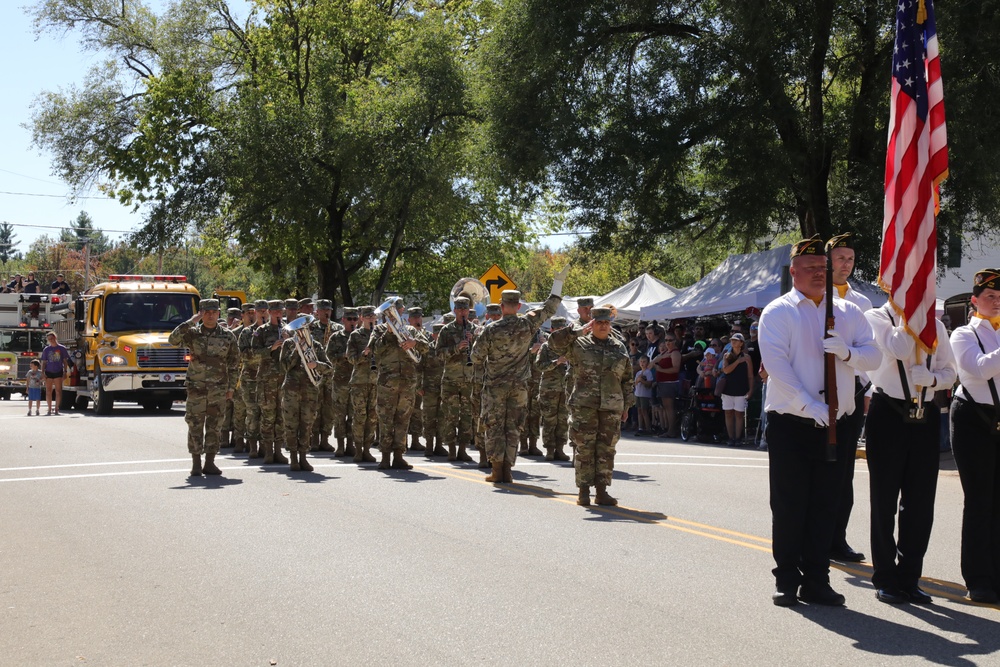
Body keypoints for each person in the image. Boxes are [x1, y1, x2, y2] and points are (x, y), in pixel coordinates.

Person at [759, 236, 880, 607]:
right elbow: (777, 367)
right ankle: (787, 579)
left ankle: (817, 579)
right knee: (790, 503)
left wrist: (847, 352)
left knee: (826, 504)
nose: (817, 273)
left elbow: (873, 356)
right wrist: (810, 405)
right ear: (793, 271)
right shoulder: (778, 312)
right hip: (792, 424)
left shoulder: (847, 312)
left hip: (839, 424)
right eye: (809, 267)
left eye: (822, 268)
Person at [865, 301, 956, 604]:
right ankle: (885, 577)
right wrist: (914, 317)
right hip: (888, 412)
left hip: (925, 413)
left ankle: (910, 577)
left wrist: (932, 380)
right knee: (884, 499)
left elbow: (949, 372)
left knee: (920, 502)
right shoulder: (877, 317)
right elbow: (900, 347)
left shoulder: (937, 325)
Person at [470, 279, 563, 483]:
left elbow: (475, 357)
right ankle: (508, 470)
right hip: (519, 386)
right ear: (519, 306)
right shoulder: (528, 324)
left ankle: (496, 470)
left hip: (495, 386)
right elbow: (549, 308)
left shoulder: (491, 329)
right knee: (513, 427)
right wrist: (558, 283)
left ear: (502, 306)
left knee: (494, 426)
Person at [547, 307, 634, 506]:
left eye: (606, 323)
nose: (603, 326)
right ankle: (583, 491)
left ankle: (602, 491)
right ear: (592, 323)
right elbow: (553, 343)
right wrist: (576, 331)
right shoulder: (578, 344)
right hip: (584, 406)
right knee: (585, 448)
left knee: (606, 450)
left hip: (611, 407)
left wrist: (626, 406)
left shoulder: (619, 347)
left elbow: (627, 379)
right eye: (599, 322)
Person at [949, 268, 1000, 603]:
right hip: (974, 420)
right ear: (975, 300)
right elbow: (979, 369)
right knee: (980, 499)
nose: (996, 302)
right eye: (990, 297)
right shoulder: (964, 334)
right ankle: (978, 578)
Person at [826, 233, 874, 564]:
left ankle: (836, 539)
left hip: (852, 391)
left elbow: (870, 352)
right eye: (841, 258)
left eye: (851, 260)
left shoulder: (863, 303)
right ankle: (813, 536)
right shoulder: (813, 297)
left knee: (844, 470)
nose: (846, 265)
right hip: (820, 390)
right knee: (819, 467)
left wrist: (867, 387)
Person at [168, 299, 239, 477]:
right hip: (196, 388)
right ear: (201, 313)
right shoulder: (193, 333)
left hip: (218, 389)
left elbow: (234, 364)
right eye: (206, 312)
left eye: (213, 312)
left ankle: (210, 462)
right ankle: (196, 463)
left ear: (218, 313)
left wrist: (231, 388)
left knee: (215, 426)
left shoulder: (228, 336)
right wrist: (191, 321)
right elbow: (172, 340)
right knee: (195, 425)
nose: (210, 315)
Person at [368, 301, 429, 470]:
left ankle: (399, 455)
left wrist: (414, 343)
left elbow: (427, 347)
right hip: (387, 384)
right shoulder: (379, 330)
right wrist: (388, 334)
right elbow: (374, 350)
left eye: (396, 310)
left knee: (403, 419)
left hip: (408, 383)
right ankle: (385, 456)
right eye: (390, 311)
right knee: (386, 419)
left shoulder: (410, 330)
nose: (393, 314)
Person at [280, 318, 332, 471]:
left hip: (310, 391)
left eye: (305, 329)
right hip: (291, 390)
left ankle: (303, 457)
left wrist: (317, 365)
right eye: (300, 329)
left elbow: (329, 367)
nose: (303, 332)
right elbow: (284, 366)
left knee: (307, 425)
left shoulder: (316, 346)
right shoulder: (288, 344)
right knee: (290, 424)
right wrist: (297, 351)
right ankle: (293, 458)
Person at [251, 300, 291, 465]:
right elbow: (253, 352)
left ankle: (278, 450)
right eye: (274, 311)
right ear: (269, 312)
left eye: (280, 311)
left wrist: (289, 341)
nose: (278, 314)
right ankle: (267, 451)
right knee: (268, 416)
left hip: (284, 378)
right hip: (267, 379)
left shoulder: (288, 330)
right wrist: (271, 348)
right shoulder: (261, 331)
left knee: (281, 416)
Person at [346, 305, 380, 464]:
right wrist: (364, 354)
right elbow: (350, 359)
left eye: (373, 317)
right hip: (359, 382)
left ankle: (367, 448)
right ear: (362, 318)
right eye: (368, 317)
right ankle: (358, 449)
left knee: (372, 417)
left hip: (375, 381)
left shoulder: (380, 335)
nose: (371, 320)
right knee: (359, 416)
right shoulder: (355, 335)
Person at [536, 316, 572, 460]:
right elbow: (539, 365)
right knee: (549, 420)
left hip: (565, 388)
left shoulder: (570, 346)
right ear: (551, 330)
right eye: (557, 329)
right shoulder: (546, 347)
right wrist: (556, 362)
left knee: (563, 420)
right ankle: (550, 449)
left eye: (562, 330)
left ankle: (560, 449)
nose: (559, 332)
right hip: (549, 389)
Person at [720, 333, 754, 447]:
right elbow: (726, 370)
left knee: (739, 414)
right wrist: (738, 361)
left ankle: (738, 438)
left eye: (736, 340)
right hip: (728, 389)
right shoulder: (727, 355)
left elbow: (750, 375)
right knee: (728, 413)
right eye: (732, 340)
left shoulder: (747, 357)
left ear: (741, 343)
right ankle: (731, 438)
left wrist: (750, 389)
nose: (733, 342)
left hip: (741, 389)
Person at [652, 335, 682, 438]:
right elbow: (651, 364)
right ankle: (668, 429)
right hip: (662, 383)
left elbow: (675, 369)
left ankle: (672, 430)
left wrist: (660, 370)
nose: (668, 342)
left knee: (670, 408)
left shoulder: (675, 353)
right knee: (665, 407)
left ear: (675, 341)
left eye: (670, 340)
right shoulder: (665, 353)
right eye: (666, 340)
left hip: (669, 383)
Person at [39, 332, 72, 415]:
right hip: (48, 371)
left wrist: (65, 372)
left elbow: (65, 361)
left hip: (58, 371)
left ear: (55, 338)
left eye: (52, 338)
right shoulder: (46, 349)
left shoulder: (61, 348)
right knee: (48, 391)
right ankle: (49, 408)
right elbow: (44, 362)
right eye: (49, 339)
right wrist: (42, 372)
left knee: (58, 391)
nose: (51, 340)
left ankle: (56, 408)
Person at [633, 355, 655, 435]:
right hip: (638, 393)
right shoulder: (638, 373)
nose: (642, 363)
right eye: (641, 362)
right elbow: (635, 383)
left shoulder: (648, 372)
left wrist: (641, 380)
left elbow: (649, 384)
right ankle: (640, 427)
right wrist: (638, 380)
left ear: (647, 363)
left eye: (644, 362)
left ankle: (648, 428)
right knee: (639, 410)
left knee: (644, 411)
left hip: (645, 394)